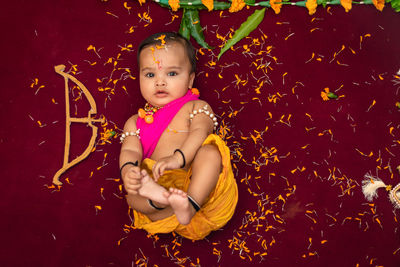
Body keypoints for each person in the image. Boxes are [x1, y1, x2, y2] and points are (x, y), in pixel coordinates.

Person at [119, 32, 238, 240]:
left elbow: (201, 132)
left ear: (190, 79)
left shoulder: (196, 106)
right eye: (149, 75)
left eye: (172, 74)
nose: (160, 82)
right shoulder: (135, 121)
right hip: (159, 188)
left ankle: (190, 205)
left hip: (198, 185)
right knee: (132, 197)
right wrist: (129, 171)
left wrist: (178, 158)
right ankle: (162, 199)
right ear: (138, 77)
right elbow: (129, 149)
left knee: (210, 152)